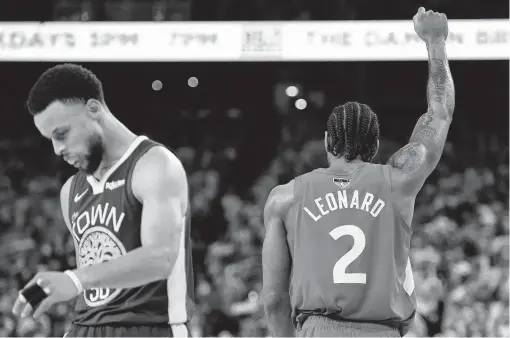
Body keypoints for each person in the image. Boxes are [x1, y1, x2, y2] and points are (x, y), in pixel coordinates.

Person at [262, 7, 455, 338]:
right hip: (380, 331)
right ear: (376, 144)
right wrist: (435, 42)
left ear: (326, 141)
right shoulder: (398, 180)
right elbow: (439, 115)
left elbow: (273, 300)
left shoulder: (284, 198)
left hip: (319, 329)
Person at [11, 63, 195, 337]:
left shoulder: (154, 165)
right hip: (85, 328)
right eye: (50, 139)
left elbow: (161, 258)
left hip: (148, 327)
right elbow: (96, 277)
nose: (58, 149)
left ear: (94, 109)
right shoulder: (70, 191)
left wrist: (74, 279)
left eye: (62, 134)